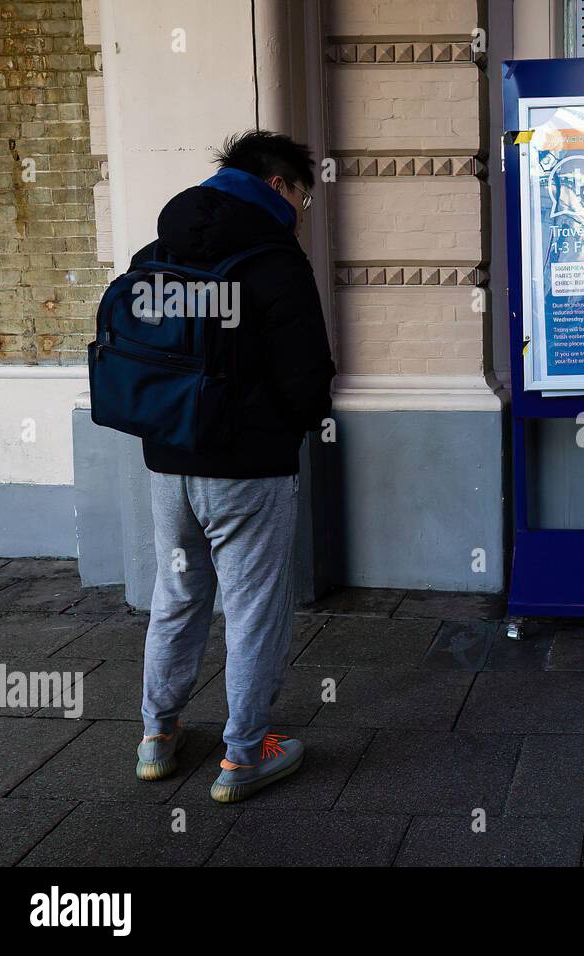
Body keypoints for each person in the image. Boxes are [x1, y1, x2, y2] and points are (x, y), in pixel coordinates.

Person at [132, 130, 336, 803]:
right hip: (249, 469)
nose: (301, 211)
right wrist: (285, 423)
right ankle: (244, 757)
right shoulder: (275, 260)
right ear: (279, 186)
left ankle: (158, 737)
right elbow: (307, 379)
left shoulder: (160, 246)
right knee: (252, 611)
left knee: (177, 596)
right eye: (301, 197)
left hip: (168, 463)